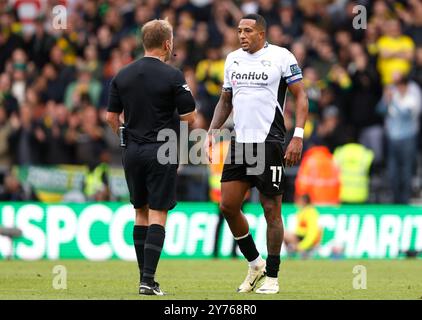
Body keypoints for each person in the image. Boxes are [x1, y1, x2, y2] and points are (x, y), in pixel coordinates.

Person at [205, 14, 308, 294]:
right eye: (239, 30)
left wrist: (297, 135)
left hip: (270, 142)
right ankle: (255, 263)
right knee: (227, 206)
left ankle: (272, 277)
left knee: (271, 210)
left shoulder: (281, 57)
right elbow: (225, 100)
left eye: (247, 30)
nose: (241, 35)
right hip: (240, 143)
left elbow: (301, 96)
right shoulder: (232, 60)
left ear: (261, 33)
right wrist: (212, 131)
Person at [106, 19, 196, 296]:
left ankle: (144, 278)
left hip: (132, 151)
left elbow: (111, 117)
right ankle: (148, 280)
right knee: (158, 213)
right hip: (162, 150)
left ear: (144, 43)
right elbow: (189, 117)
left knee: (140, 212)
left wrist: (125, 134)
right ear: (167, 44)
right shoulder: (173, 76)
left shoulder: (122, 75)